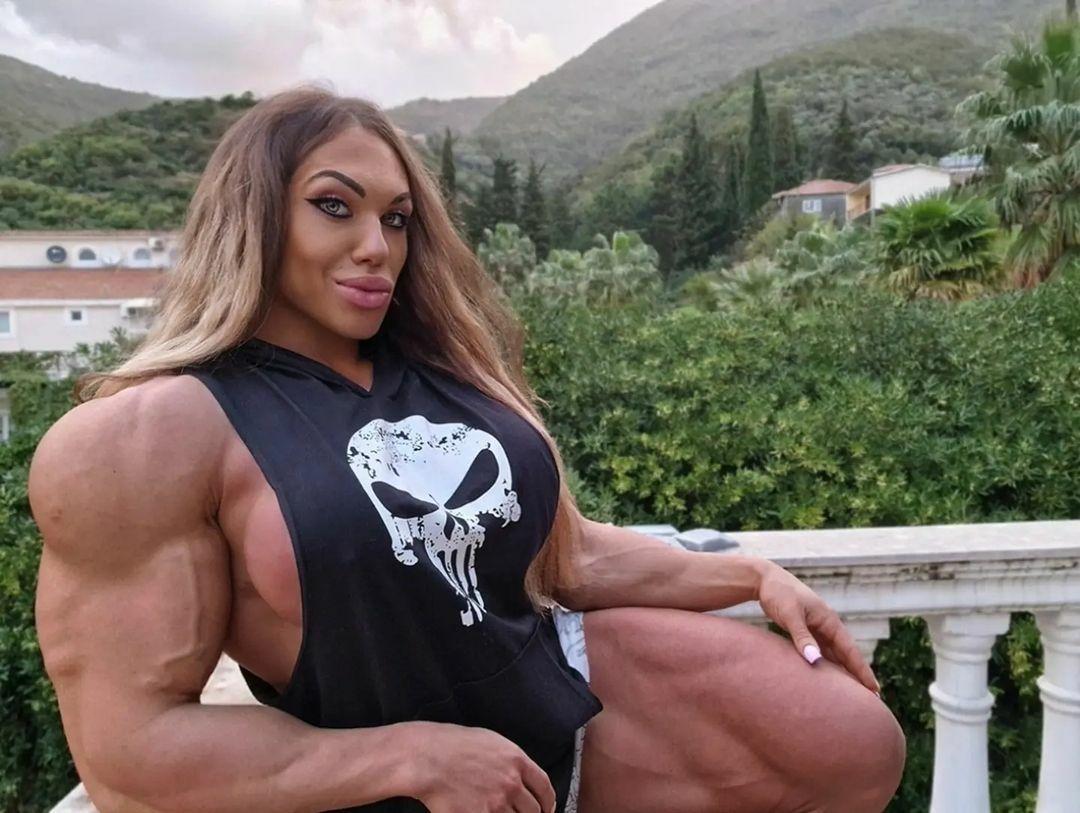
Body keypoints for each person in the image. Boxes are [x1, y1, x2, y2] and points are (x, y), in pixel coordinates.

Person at [30, 87, 905, 813]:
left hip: (553, 734)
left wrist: (750, 576)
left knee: (853, 743)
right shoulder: (145, 439)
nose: (376, 247)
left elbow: (569, 557)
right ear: (253, 215)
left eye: (397, 218)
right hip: (373, 787)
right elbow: (127, 751)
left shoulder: (443, 373)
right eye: (334, 206)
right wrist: (409, 756)